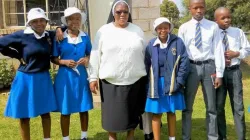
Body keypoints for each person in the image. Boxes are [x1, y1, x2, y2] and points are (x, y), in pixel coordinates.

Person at [88, 0, 147, 139]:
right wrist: (92, 77)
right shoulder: (103, 31)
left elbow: (145, 53)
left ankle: (130, 137)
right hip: (111, 83)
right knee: (112, 119)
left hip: (134, 81)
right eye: (118, 12)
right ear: (113, 13)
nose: (122, 14)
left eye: (125, 12)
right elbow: (95, 55)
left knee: (132, 115)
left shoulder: (137, 30)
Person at [0, 8, 57, 140]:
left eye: (42, 20)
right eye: (35, 21)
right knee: (24, 115)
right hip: (25, 79)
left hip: (43, 78)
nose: (39, 23)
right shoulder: (22, 35)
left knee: (45, 113)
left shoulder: (48, 35)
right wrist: (16, 55)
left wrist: (61, 28)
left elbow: (65, 30)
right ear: (29, 23)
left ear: (46, 21)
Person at [178, 0, 225, 139]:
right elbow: (181, 52)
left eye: (201, 8)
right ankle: (186, 137)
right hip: (191, 68)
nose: (199, 10)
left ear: (205, 9)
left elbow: (218, 49)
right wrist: (182, 74)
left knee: (211, 107)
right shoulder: (184, 28)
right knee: (187, 107)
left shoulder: (213, 27)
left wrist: (219, 74)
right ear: (190, 9)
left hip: (209, 67)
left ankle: (212, 137)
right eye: (195, 8)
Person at [51, 7, 93, 140]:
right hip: (65, 77)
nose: (75, 21)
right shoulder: (60, 37)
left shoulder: (85, 37)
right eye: (72, 19)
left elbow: (91, 53)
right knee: (65, 109)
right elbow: (53, 58)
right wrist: (63, 62)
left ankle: (84, 136)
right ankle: (65, 138)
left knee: (83, 106)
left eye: (78, 18)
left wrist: (86, 59)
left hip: (81, 76)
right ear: (67, 21)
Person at [145, 17, 189, 140]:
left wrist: (179, 82)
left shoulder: (178, 42)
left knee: (171, 112)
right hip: (156, 84)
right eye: (160, 28)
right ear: (156, 29)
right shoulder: (151, 44)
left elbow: (184, 63)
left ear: (169, 28)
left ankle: (172, 138)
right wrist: (148, 85)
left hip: (172, 82)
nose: (163, 30)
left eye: (165, 27)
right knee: (156, 113)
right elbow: (147, 64)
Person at [214, 7, 250, 140]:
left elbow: (247, 49)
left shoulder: (238, 32)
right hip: (219, 74)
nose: (227, 20)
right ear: (215, 19)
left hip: (234, 72)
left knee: (238, 107)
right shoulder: (213, 33)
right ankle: (221, 136)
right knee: (218, 106)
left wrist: (237, 53)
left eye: (228, 17)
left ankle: (241, 137)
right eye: (223, 18)